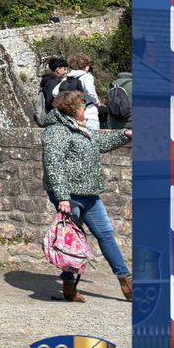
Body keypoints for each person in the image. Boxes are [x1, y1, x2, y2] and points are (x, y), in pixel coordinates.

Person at [41, 89, 132, 303]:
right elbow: (53, 164)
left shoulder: (79, 128)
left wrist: (124, 135)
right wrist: (62, 197)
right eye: (82, 105)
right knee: (70, 241)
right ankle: (69, 286)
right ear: (72, 108)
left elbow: (99, 143)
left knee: (106, 235)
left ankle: (126, 281)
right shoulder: (56, 131)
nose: (85, 108)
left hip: (90, 194)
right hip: (69, 195)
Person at [57, 54, 101, 131]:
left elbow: (54, 92)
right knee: (93, 138)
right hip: (89, 113)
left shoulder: (68, 77)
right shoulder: (87, 76)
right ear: (85, 65)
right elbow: (90, 91)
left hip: (73, 115)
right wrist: (97, 102)